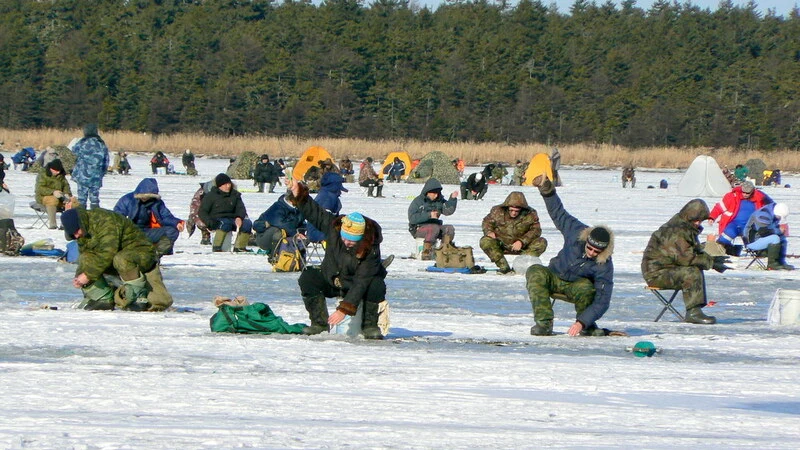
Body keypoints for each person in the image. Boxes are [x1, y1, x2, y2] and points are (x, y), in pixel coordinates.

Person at [288, 179, 388, 340]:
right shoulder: (335, 227)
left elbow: (362, 282)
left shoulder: (370, 248)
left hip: (356, 284)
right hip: (332, 279)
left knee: (376, 284)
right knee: (308, 277)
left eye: (352, 240)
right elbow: (315, 213)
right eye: (345, 237)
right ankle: (319, 323)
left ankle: (370, 325)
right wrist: (299, 193)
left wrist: (344, 309)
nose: (347, 242)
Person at [525, 175, 614, 336]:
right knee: (535, 271)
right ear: (586, 240)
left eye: (597, 251)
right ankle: (544, 324)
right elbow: (559, 213)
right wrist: (547, 190)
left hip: (576, 287)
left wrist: (582, 321)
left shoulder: (605, 264)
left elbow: (603, 300)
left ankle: (587, 327)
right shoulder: (576, 232)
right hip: (555, 275)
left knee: (586, 287)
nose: (592, 253)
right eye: (590, 248)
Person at [60, 207, 173, 312]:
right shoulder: (83, 231)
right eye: (73, 234)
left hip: (140, 253)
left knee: (121, 259)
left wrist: (88, 275)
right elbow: (88, 254)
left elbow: (107, 253)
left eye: (76, 231)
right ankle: (102, 299)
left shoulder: (105, 221)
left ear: (81, 223)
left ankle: (137, 297)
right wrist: (81, 276)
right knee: (85, 259)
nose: (76, 236)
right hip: (116, 259)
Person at [642, 199, 732, 324]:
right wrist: (710, 263)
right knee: (691, 272)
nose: (698, 223)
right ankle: (693, 312)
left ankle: (696, 309)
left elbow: (692, 251)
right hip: (657, 273)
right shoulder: (675, 231)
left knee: (694, 269)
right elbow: (685, 258)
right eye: (697, 220)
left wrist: (712, 259)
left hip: (669, 268)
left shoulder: (685, 228)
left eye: (700, 220)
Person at [113, 178, 185, 256]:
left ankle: (155, 255)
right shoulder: (127, 200)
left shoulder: (157, 203)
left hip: (148, 231)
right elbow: (117, 217)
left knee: (172, 231)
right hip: (130, 232)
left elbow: (165, 216)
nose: (145, 198)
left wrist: (176, 223)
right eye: (144, 196)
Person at [480, 191, 547, 274]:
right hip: (501, 243)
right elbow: (487, 222)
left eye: (516, 211)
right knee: (485, 241)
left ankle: (520, 266)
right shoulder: (496, 211)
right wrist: (489, 232)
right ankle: (503, 266)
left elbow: (536, 230)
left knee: (541, 242)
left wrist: (522, 241)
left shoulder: (531, 214)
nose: (514, 213)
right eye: (511, 210)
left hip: (523, 247)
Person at [708, 181, 772, 256]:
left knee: (754, 243)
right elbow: (719, 207)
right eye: (743, 192)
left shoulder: (760, 197)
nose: (745, 194)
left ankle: (761, 251)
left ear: (752, 191)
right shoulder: (732, 196)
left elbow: (771, 207)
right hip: (733, 224)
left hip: (749, 226)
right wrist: (712, 217)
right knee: (724, 239)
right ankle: (722, 250)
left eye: (747, 193)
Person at [199, 173, 253, 253]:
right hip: (217, 219)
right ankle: (217, 246)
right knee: (225, 223)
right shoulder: (211, 196)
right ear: (219, 185)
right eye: (225, 184)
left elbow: (241, 208)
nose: (228, 186)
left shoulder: (235, 195)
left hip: (232, 218)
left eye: (229, 184)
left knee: (247, 224)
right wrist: (209, 223)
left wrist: (239, 217)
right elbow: (202, 211)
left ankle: (239, 247)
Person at [408, 178, 458, 260]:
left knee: (449, 228)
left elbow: (448, 211)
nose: (436, 195)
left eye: (437, 193)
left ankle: (444, 251)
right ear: (427, 192)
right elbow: (412, 218)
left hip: (436, 227)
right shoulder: (418, 201)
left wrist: (452, 199)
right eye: (433, 193)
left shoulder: (439, 201)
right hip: (418, 228)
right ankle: (426, 252)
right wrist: (429, 215)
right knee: (433, 228)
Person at [744, 203, 793, 270]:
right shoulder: (763, 215)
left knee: (783, 239)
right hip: (752, 241)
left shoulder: (773, 211)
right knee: (775, 238)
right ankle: (772, 264)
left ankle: (781, 262)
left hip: (762, 239)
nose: (779, 219)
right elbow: (763, 232)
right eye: (779, 217)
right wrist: (778, 230)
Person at [71, 124, 110, 209]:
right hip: (96, 175)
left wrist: (73, 170)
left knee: (81, 200)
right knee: (95, 199)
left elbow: (73, 155)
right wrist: (102, 173)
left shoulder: (81, 143)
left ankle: (81, 219)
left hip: (82, 175)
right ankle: (95, 218)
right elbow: (106, 160)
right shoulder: (101, 144)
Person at [306, 171, 347, 243]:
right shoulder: (327, 198)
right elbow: (325, 220)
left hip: (319, 230)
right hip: (317, 232)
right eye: (339, 184)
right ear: (334, 185)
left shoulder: (327, 194)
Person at [34, 159, 72, 229]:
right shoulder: (43, 174)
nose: (57, 173)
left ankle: (65, 223)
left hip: (60, 196)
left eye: (58, 171)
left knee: (73, 201)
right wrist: (53, 192)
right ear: (50, 168)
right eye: (55, 171)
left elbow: (66, 185)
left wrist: (67, 194)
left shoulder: (61, 176)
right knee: (53, 200)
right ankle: (53, 224)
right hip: (43, 197)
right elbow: (39, 189)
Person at [187, 179, 214, 245]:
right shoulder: (202, 193)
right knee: (202, 220)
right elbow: (195, 206)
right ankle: (205, 236)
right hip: (205, 214)